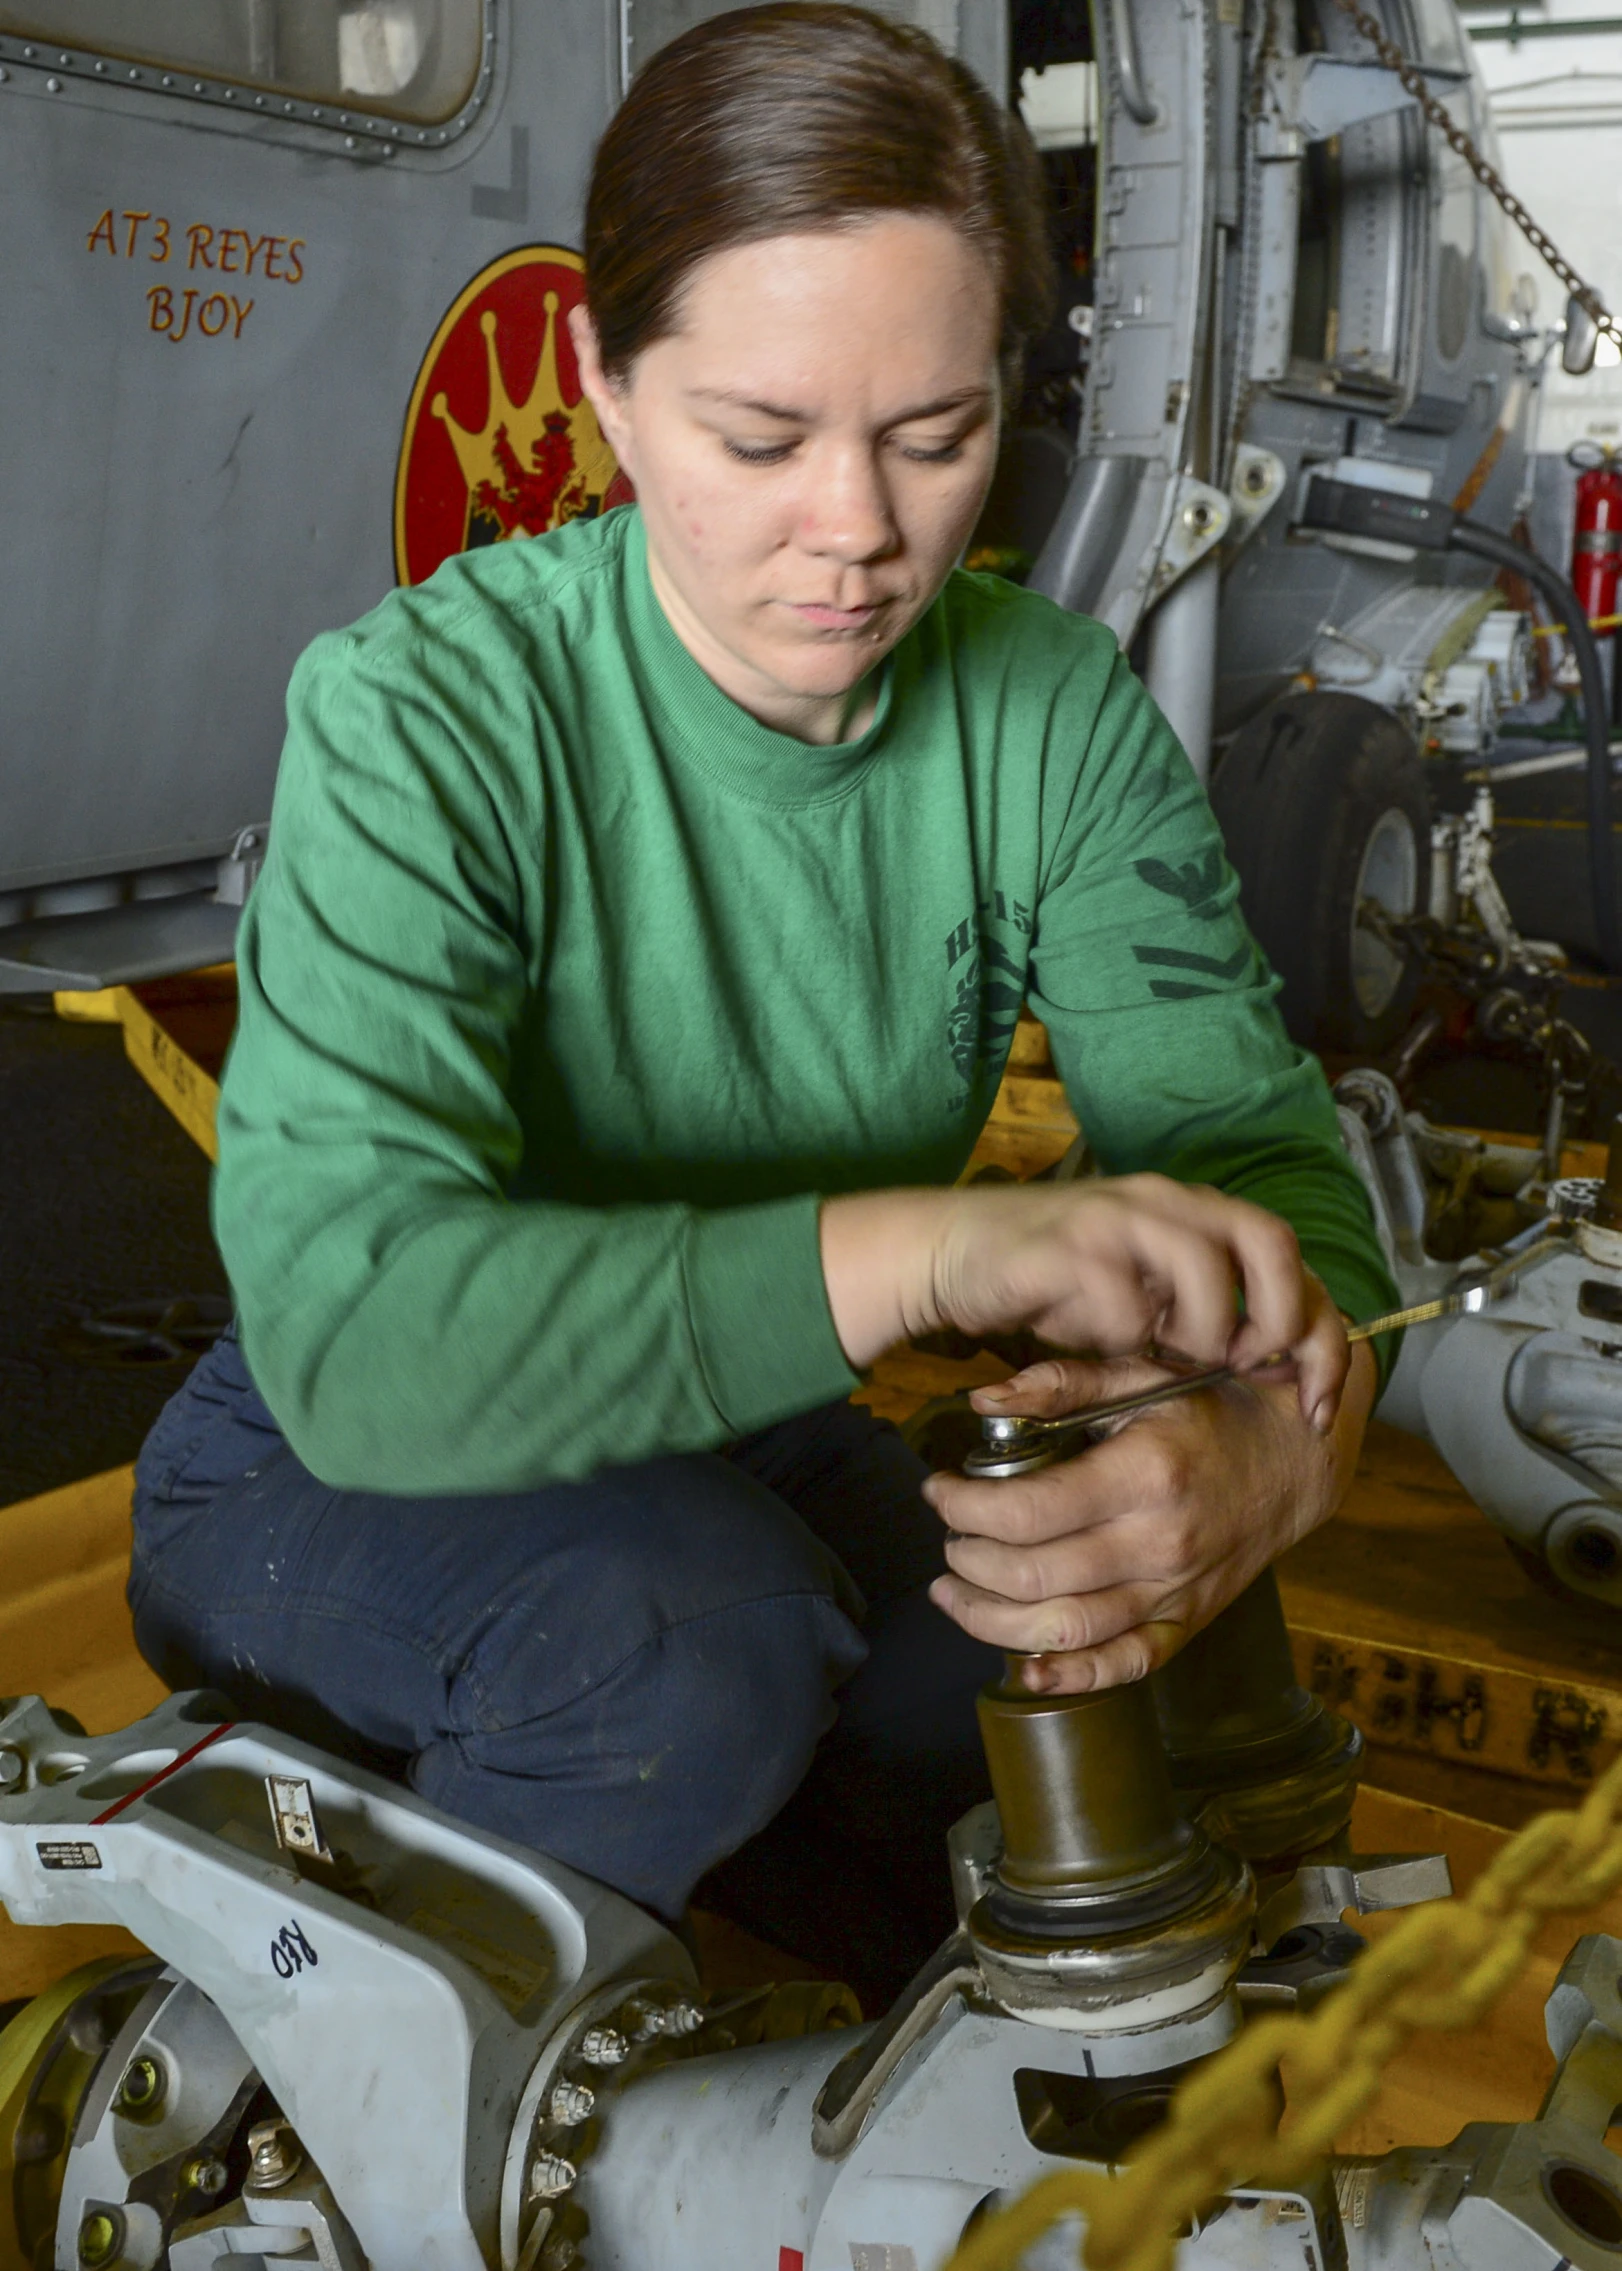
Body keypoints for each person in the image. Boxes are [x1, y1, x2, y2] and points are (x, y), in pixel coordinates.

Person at [129, 1, 1395, 2004]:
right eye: (759, 437)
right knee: (687, 1645)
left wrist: (1266, 1448)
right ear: (606, 391)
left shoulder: (1049, 712)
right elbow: (366, 1341)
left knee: (1050, 1644)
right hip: (320, 1450)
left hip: (734, 1438)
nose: (858, 532)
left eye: (936, 435)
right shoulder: (427, 714)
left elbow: (1253, 1166)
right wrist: (927, 1247)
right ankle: (328, 2146)